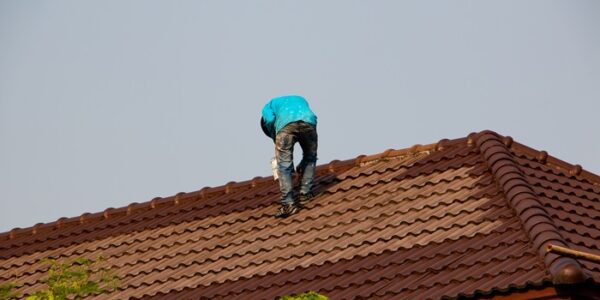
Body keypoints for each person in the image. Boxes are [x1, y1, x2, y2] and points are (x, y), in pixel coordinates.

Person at [261, 95, 318, 218]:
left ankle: (288, 204)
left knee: (284, 165)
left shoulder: (267, 106)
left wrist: (275, 136)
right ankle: (305, 195)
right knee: (310, 157)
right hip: (309, 122)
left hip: (286, 126)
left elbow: (270, 121)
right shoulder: (299, 99)